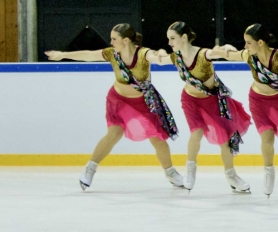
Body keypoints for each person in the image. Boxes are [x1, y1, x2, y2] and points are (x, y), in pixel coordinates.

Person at [45, 24, 184, 190]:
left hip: (143, 102)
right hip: (118, 100)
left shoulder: (142, 54)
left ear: (125, 40)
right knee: (114, 134)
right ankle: (90, 168)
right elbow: (89, 55)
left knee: (158, 140)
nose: (110, 42)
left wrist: (161, 54)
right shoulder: (112, 54)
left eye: (114, 39)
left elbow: (156, 57)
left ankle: (170, 172)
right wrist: (63, 55)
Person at [212, 24, 278, 200]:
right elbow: (230, 55)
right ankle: (269, 172)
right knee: (267, 137)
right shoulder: (249, 55)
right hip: (258, 101)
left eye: (248, 42)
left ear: (260, 42)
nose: (245, 46)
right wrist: (219, 51)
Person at [156, 22, 252, 193]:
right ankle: (191, 171)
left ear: (184, 38)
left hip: (213, 100)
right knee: (197, 131)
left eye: (172, 38)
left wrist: (227, 49)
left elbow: (217, 52)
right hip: (190, 100)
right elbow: (160, 59)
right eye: (168, 39)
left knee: (225, 138)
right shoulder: (175, 56)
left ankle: (231, 176)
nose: (170, 43)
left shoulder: (203, 54)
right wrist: (160, 53)